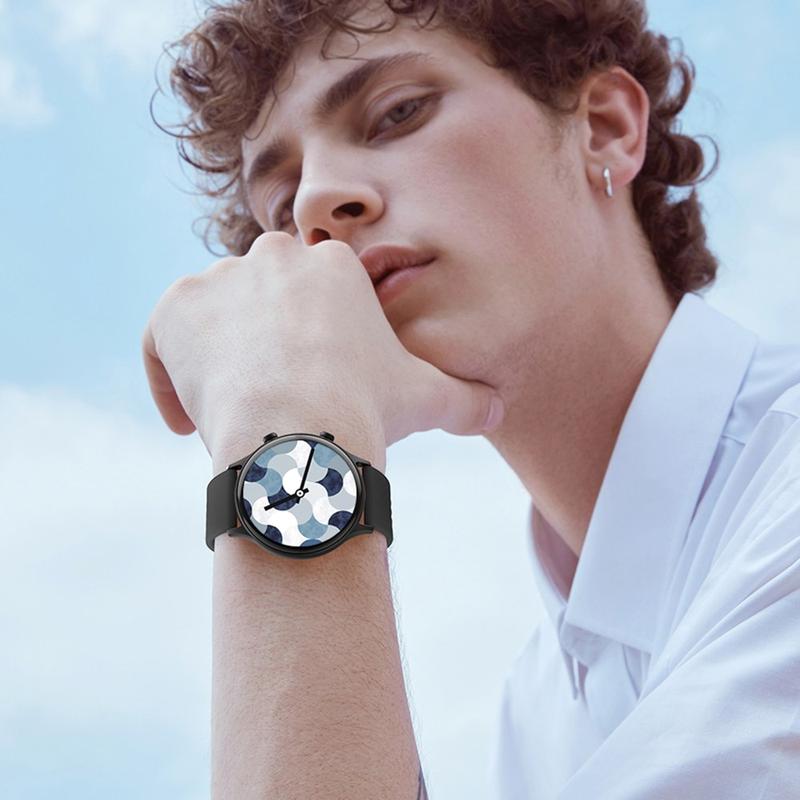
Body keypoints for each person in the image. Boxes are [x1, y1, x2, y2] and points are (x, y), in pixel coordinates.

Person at [143, 0, 800, 797]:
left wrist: (289, 436)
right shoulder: (536, 709)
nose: (315, 204)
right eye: (281, 208)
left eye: (397, 113)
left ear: (605, 128)